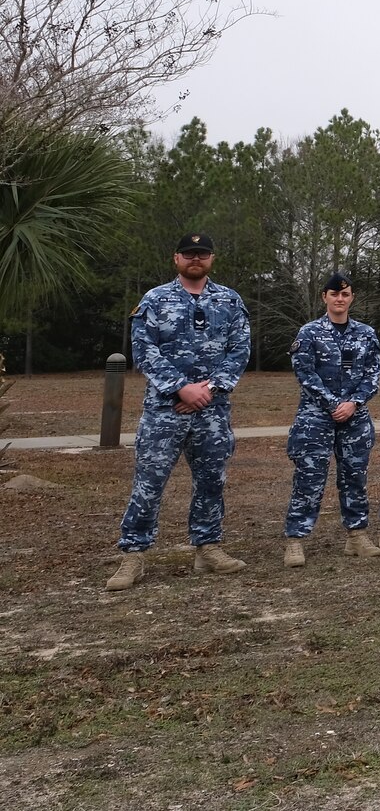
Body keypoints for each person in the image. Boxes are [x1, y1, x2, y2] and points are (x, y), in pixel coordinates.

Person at [108, 233, 251, 591]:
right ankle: (133, 556)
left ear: (212, 258)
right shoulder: (155, 300)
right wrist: (181, 388)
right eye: (189, 254)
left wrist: (208, 389)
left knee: (211, 482)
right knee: (149, 483)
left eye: (202, 254)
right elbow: (144, 351)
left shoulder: (229, 300)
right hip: (164, 410)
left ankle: (207, 548)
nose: (195, 259)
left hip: (212, 410)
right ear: (176, 258)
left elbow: (239, 351)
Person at [283, 271, 380, 567]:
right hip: (316, 418)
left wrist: (352, 403)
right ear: (324, 297)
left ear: (351, 298)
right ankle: (295, 540)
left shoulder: (366, 334)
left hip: (355, 417)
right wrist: (332, 404)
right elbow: (305, 374)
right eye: (334, 294)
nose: (339, 299)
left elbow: (373, 375)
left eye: (345, 294)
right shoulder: (309, 333)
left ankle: (356, 537)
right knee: (309, 478)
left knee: (355, 477)